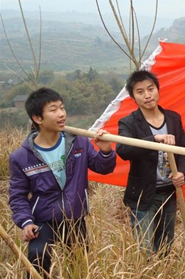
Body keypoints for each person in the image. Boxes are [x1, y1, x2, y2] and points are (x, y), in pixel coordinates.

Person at [8, 87, 116, 278]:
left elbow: (103, 167)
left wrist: (106, 151)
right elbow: (18, 196)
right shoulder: (22, 157)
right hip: (43, 219)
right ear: (37, 118)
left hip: (75, 216)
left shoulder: (78, 143)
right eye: (53, 109)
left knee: (80, 264)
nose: (61, 114)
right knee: (38, 256)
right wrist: (25, 222)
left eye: (62, 107)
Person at [116, 70, 185, 254]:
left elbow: (184, 151)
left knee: (165, 247)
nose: (147, 95)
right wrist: (154, 139)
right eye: (140, 92)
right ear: (133, 97)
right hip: (143, 196)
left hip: (169, 193)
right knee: (144, 250)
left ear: (158, 89)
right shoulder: (128, 123)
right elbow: (123, 150)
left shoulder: (173, 118)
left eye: (151, 89)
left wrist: (182, 173)